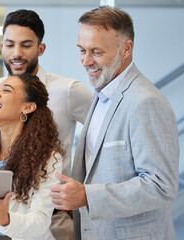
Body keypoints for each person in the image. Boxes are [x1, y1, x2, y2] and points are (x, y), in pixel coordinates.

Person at [50, 6, 179, 240]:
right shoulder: (102, 95)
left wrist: (87, 196)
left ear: (126, 49)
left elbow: (161, 186)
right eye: (82, 50)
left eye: (96, 52)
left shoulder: (145, 102)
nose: (86, 61)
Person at [0, 9, 92, 239]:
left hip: (54, 216)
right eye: (9, 45)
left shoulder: (68, 90)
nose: (16, 53)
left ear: (41, 49)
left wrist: (82, 189)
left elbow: (99, 134)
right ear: (2, 47)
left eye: (26, 45)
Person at [0, 74, 64, 240]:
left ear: (28, 107)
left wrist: (5, 219)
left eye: (6, 90)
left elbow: (40, 221)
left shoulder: (49, 158)